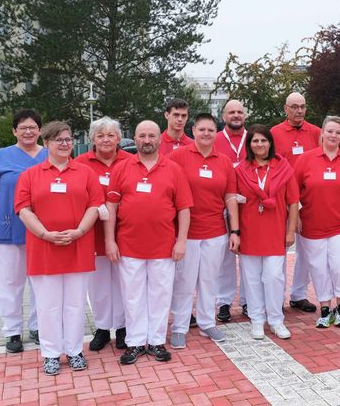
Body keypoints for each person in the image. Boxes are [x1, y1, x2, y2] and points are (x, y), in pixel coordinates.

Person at [14, 121, 102, 376]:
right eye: (59, 140)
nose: (65, 144)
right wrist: (45, 234)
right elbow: (23, 209)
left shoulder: (85, 173)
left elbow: (94, 205)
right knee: (48, 305)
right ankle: (51, 353)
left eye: (68, 139)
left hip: (79, 246)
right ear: (46, 143)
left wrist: (80, 231)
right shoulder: (30, 175)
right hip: (44, 248)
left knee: (75, 304)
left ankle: (74, 350)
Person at [104, 120, 192, 365]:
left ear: (158, 139)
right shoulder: (122, 168)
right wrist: (109, 241)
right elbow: (111, 207)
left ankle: (155, 341)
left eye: (151, 135)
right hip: (129, 245)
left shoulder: (173, 169)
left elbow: (184, 209)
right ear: (135, 138)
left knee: (161, 295)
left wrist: (181, 241)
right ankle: (134, 343)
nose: (147, 140)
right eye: (142, 135)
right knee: (132, 296)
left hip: (164, 246)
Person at [0, 109, 47, 354]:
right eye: (22, 127)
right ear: (14, 131)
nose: (28, 131)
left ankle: (39, 327)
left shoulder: (50, 155)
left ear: (40, 130)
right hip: (7, 228)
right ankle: (12, 331)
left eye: (33, 127)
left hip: (44, 231)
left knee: (41, 282)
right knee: (9, 282)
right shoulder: (1, 156)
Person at [168, 113, 240, 346]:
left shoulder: (224, 161)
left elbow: (230, 198)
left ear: (215, 132)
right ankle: (179, 326)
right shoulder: (179, 156)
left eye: (210, 130)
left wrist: (235, 231)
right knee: (185, 282)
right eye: (202, 130)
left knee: (209, 280)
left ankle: (207, 323)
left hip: (216, 231)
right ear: (194, 130)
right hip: (187, 233)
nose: (206, 134)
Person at [294, 116, 340, 328]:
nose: (333, 135)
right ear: (322, 133)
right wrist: (296, 217)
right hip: (312, 226)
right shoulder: (306, 159)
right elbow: (293, 192)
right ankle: (325, 309)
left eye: (337, 132)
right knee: (318, 268)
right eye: (330, 131)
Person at [74, 117, 134, 352]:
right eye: (100, 136)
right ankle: (102, 328)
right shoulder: (80, 163)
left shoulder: (131, 162)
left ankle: (122, 328)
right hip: (93, 235)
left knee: (122, 284)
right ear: (92, 139)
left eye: (111, 135)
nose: (106, 139)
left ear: (119, 138)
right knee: (98, 285)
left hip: (126, 234)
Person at [236, 125, 299, 340]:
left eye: (263, 140)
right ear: (249, 144)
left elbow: (293, 202)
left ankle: (276, 320)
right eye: (255, 141)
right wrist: (234, 232)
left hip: (275, 232)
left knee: (273, 277)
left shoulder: (284, 169)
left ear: (270, 143)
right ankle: (256, 320)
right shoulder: (240, 170)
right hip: (249, 232)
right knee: (251, 279)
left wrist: (290, 231)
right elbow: (233, 201)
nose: (259, 145)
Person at [270, 92, 321, 314]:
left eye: (302, 106)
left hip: (310, 201)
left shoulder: (316, 132)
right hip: (282, 201)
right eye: (294, 107)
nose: (299, 110)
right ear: (286, 108)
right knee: (280, 249)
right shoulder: (274, 133)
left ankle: (299, 294)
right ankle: (276, 298)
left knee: (306, 251)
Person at [214, 100, 248, 322]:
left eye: (239, 112)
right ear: (224, 116)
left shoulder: (254, 137)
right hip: (222, 203)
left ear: (245, 115)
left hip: (250, 204)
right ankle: (224, 302)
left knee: (250, 256)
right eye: (231, 112)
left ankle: (248, 301)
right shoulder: (215, 140)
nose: (236, 115)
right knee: (225, 257)